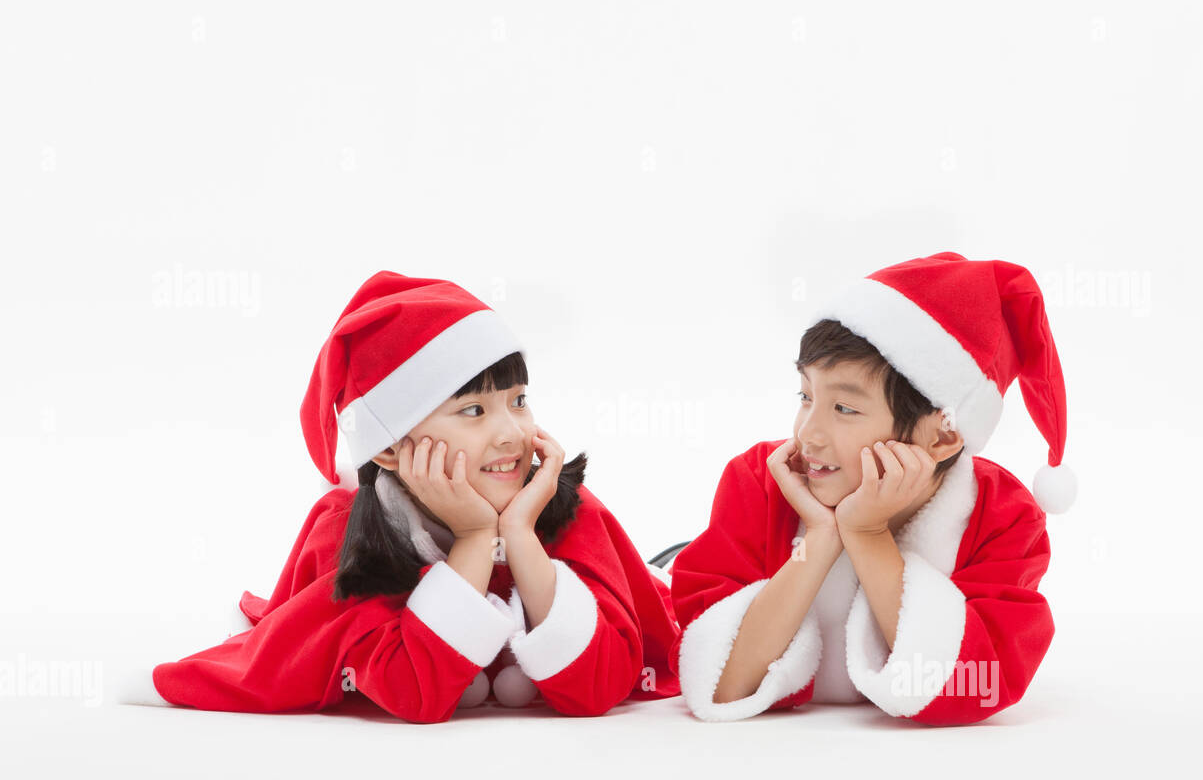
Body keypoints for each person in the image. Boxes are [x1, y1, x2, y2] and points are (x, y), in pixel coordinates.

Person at [122, 270, 680, 722]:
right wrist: (474, 536)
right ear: (389, 451)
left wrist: (518, 538)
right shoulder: (351, 537)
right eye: (473, 410)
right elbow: (415, 691)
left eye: (518, 400)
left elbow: (599, 688)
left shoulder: (563, 510)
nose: (511, 432)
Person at [669, 251, 1076, 725]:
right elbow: (720, 684)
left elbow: (971, 685)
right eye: (806, 396)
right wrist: (821, 539)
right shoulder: (762, 480)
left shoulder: (1002, 515)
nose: (807, 435)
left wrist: (866, 534)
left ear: (943, 436)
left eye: (844, 409)